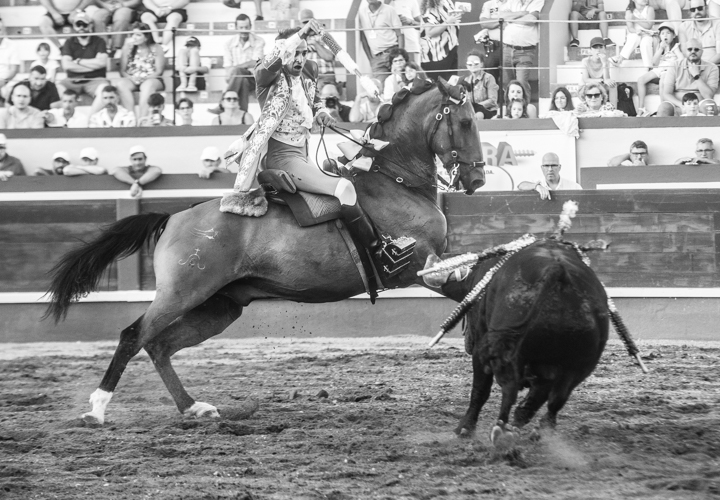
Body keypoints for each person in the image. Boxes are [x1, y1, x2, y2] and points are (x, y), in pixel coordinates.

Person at [222, 22, 383, 261]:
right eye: (295, 52)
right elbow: (276, 57)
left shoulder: (309, 69)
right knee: (345, 188)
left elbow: (313, 98)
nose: (299, 59)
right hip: (281, 156)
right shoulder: (265, 73)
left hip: (304, 152)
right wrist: (300, 34)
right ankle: (376, 252)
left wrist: (321, 112)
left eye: (304, 52)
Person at [60, 11, 110, 114]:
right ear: (74, 26)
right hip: (72, 81)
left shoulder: (99, 41)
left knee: (105, 90)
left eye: (84, 24)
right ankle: (66, 119)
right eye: (78, 24)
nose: (81, 27)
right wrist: (93, 66)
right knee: (57, 87)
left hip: (95, 80)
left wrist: (79, 61)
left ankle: (90, 117)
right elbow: (66, 65)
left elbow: (102, 63)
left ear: (90, 25)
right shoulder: (69, 42)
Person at [659, 38, 719, 116]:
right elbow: (667, 93)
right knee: (664, 108)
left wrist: (696, 76)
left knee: (709, 106)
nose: (693, 51)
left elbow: (708, 96)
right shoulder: (674, 65)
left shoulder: (712, 67)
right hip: (678, 104)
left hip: (700, 105)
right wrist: (682, 105)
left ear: (702, 52)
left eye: (696, 49)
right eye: (689, 49)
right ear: (685, 51)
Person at [117, 22, 165, 118]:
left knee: (148, 85)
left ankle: (142, 119)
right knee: (121, 84)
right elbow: (122, 71)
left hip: (152, 78)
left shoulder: (157, 47)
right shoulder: (127, 47)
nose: (134, 37)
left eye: (138, 35)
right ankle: (131, 119)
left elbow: (159, 71)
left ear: (146, 37)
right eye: (133, 34)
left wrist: (145, 78)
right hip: (132, 79)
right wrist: (131, 78)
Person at [500, 0, 545, 101]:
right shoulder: (512, 1)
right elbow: (501, 15)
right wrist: (521, 13)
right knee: (507, 83)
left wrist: (511, 19)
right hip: (507, 48)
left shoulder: (538, 1)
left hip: (525, 51)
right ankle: (509, 108)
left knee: (521, 84)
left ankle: (525, 109)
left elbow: (530, 20)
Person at [636, 22, 683, 116]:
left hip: (669, 70)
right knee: (640, 80)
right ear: (660, 36)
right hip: (660, 68)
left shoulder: (675, 46)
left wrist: (673, 66)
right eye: (662, 33)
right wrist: (661, 49)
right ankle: (641, 108)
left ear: (673, 35)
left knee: (662, 82)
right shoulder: (660, 46)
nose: (665, 35)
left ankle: (663, 109)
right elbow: (654, 63)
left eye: (668, 33)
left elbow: (681, 59)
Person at [223, 13, 265, 114]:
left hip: (253, 80)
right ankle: (243, 116)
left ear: (250, 26)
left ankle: (223, 103)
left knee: (239, 73)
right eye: (241, 27)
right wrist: (242, 67)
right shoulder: (228, 43)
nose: (244, 30)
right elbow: (228, 67)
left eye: (246, 27)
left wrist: (236, 68)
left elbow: (256, 62)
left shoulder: (259, 41)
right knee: (243, 80)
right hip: (235, 79)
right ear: (236, 28)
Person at [358, 0, 403, 86]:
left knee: (399, 84)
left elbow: (400, 34)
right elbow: (363, 39)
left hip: (393, 53)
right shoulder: (361, 13)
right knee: (381, 87)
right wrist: (371, 59)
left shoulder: (389, 10)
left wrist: (400, 55)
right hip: (377, 58)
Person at [419, 0, 460, 83]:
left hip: (451, 47)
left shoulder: (447, 1)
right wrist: (448, 22)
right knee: (439, 85)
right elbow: (430, 32)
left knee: (452, 83)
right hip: (436, 54)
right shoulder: (429, 7)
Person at [609, 0, 655, 69]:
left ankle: (648, 67)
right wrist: (637, 31)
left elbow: (649, 26)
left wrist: (635, 19)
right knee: (635, 37)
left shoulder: (649, 9)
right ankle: (620, 59)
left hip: (647, 33)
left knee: (645, 43)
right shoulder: (629, 11)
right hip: (635, 33)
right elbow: (630, 28)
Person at [518, 152, 582, 200]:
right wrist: (537, 186)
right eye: (546, 166)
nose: (550, 169)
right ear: (542, 168)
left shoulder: (574, 187)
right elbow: (520, 185)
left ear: (559, 167)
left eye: (553, 165)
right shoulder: (537, 183)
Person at [299, 9, 337, 89]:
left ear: (315, 22)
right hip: (307, 77)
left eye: (310, 22)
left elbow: (329, 57)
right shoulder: (298, 39)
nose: (308, 25)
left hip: (325, 76)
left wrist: (315, 44)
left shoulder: (325, 35)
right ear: (301, 25)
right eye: (305, 23)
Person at [679, 0, 720, 65]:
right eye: (693, 10)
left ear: (706, 8)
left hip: (714, 66)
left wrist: (703, 66)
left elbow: (719, 54)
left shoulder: (717, 24)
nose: (697, 12)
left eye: (700, 8)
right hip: (691, 66)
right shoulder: (684, 27)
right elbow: (685, 53)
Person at [462, 49, 498, 120]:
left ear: (481, 64)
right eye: (470, 64)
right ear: (467, 66)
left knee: (478, 114)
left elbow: (492, 101)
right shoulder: (466, 80)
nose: (473, 65)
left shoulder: (488, 78)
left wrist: (476, 106)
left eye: (476, 63)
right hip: (472, 111)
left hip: (488, 111)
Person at [581, 37, 617, 106]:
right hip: (591, 83)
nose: (598, 50)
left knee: (613, 85)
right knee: (582, 84)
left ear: (605, 49)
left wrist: (604, 63)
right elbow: (585, 79)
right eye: (595, 48)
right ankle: (586, 107)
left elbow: (607, 79)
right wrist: (601, 81)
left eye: (601, 47)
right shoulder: (585, 61)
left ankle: (613, 108)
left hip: (601, 84)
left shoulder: (606, 61)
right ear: (590, 50)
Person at [388, 0, 422, 64]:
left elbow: (423, 26)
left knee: (412, 68)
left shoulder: (411, 1)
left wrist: (410, 21)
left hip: (410, 45)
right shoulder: (381, 4)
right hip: (389, 47)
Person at [0, 17, 20, 100]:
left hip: (8, 82)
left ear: (4, 30)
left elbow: (14, 70)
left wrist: (3, 82)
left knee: (9, 93)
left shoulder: (12, 45)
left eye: (0, 30)